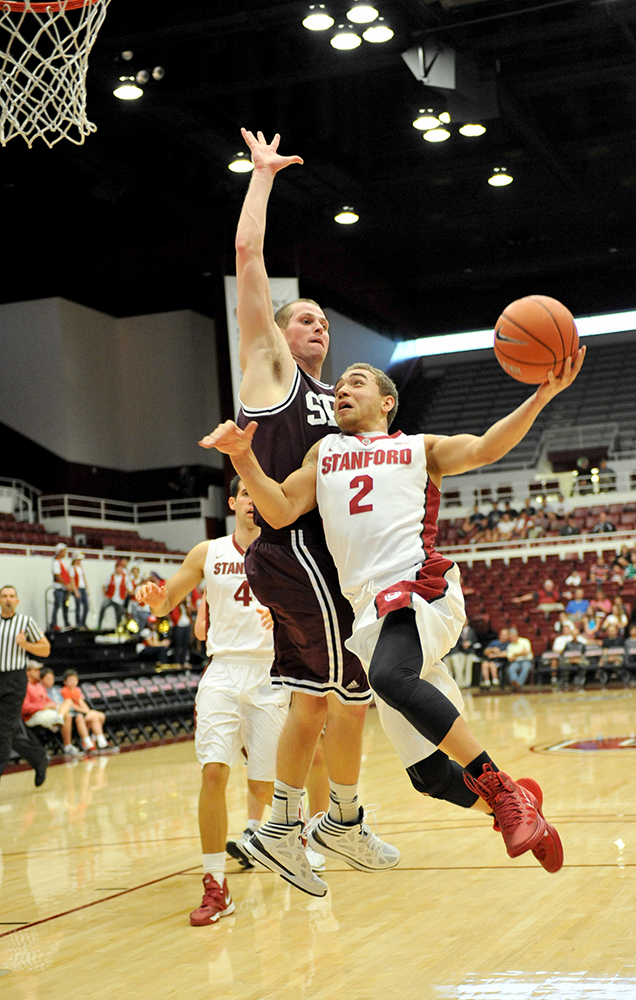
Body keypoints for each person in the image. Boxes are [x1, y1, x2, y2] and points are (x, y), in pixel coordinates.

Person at [201, 351, 585, 875]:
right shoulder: (324, 451)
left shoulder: (414, 448)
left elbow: (483, 447)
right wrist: (244, 458)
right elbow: (281, 508)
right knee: (427, 774)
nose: (342, 388)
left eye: (355, 382)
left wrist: (540, 397)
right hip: (369, 613)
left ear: (386, 402)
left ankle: (504, 793)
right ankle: (522, 808)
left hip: (418, 585)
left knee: (387, 675)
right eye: (338, 385)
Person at [214, 128, 398, 897]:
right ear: (276, 335)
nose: (316, 326)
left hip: (335, 564)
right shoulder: (271, 373)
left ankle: (340, 820)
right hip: (294, 553)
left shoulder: (342, 401)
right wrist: (261, 179)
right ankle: (283, 828)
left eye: (324, 320)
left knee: (341, 698)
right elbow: (250, 265)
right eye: (304, 319)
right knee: (331, 696)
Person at [135, 477, 292, 925]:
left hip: (270, 672)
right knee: (213, 773)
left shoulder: (286, 552)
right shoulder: (208, 553)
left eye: (257, 494)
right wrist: (154, 597)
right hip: (222, 670)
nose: (251, 501)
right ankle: (215, 884)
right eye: (244, 494)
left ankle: (287, 838)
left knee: (263, 786)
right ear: (233, 502)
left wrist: (279, 613)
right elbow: (166, 603)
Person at [0, 585, 51, 786]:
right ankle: (39, 759)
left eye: (11, 596)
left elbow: (45, 649)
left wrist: (25, 644)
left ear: (17, 600)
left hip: (14, 680)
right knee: (9, 731)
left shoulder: (25, 622)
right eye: (4, 596)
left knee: (4, 729)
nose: (8, 599)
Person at [60, 670, 115, 753]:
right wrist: (84, 711)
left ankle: (98, 740)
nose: (73, 682)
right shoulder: (64, 691)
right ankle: (89, 743)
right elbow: (71, 706)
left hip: (80, 712)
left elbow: (82, 704)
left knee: (100, 715)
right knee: (85, 717)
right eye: (70, 680)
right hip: (72, 714)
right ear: (65, 682)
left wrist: (86, 711)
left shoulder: (76, 690)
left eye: (74, 680)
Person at [22, 660, 73, 732]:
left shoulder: (39, 686)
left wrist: (54, 705)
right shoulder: (23, 687)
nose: (39, 672)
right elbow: (25, 708)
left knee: (68, 703)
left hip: (46, 711)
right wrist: (43, 707)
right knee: (67, 716)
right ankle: (66, 742)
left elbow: (48, 700)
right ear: (28, 672)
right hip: (33, 716)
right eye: (36, 670)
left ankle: (60, 718)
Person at [443, 618, 479, 688]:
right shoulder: (460, 630)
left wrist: (469, 643)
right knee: (458, 668)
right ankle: (453, 684)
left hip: (467, 652)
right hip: (460, 652)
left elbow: (474, 640)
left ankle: (465, 683)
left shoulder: (471, 630)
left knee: (464, 668)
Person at [97, 557, 132, 630]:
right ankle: (99, 625)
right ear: (116, 568)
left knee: (119, 614)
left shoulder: (125, 578)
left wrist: (124, 596)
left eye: (121, 568)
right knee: (103, 608)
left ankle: (118, 628)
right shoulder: (111, 576)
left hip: (119, 599)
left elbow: (127, 588)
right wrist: (105, 595)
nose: (119, 569)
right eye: (118, 568)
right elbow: (104, 585)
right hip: (110, 597)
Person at [50, 542, 75, 631]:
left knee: (65, 606)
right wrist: (66, 584)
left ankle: (66, 622)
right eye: (63, 551)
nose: (65, 553)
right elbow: (58, 576)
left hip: (64, 588)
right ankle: (53, 624)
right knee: (57, 606)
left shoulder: (62, 562)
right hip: (59, 588)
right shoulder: (56, 562)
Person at [71, 551, 90, 629]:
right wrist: (75, 590)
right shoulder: (72, 568)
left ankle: (83, 622)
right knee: (78, 606)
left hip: (83, 588)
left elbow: (84, 578)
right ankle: (78, 623)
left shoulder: (81, 568)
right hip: (78, 588)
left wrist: (87, 588)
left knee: (86, 606)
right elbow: (72, 580)